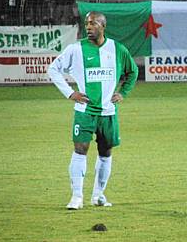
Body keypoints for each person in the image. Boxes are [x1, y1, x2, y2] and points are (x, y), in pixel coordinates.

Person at [48, 11, 138, 210]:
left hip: (108, 113)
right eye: (87, 23)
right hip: (85, 111)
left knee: (105, 153)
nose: (88, 27)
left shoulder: (118, 49)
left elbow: (133, 71)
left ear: (103, 26)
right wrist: (70, 93)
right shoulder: (76, 49)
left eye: (93, 23)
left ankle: (98, 195)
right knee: (80, 150)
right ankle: (76, 197)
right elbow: (53, 69)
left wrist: (123, 92)